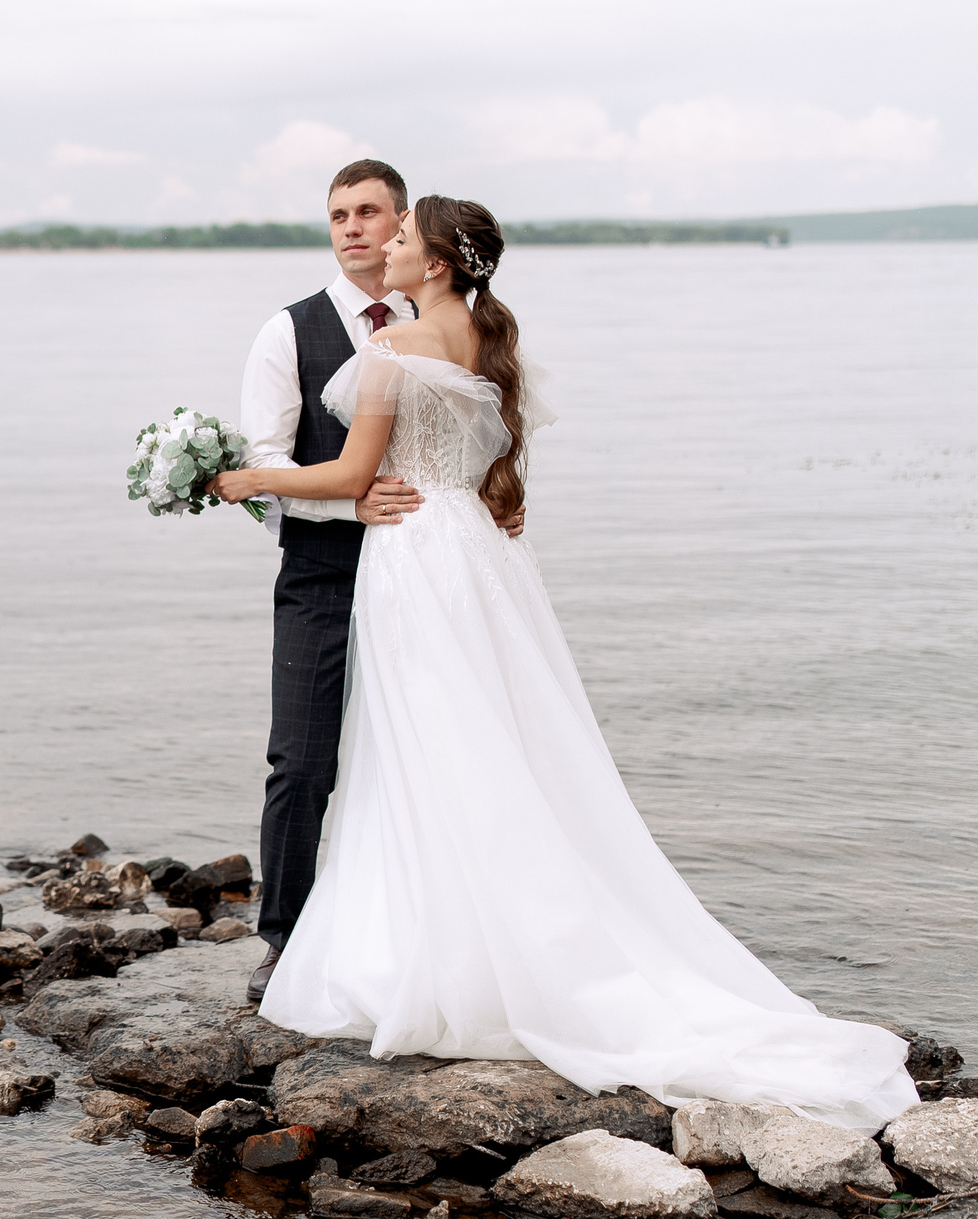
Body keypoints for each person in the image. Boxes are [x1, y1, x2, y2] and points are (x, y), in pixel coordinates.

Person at [212, 196, 916, 1131]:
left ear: (434, 263)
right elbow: (497, 470)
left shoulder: (392, 351)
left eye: (400, 237)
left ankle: (447, 952)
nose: (381, 247)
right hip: (478, 555)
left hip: (416, 557)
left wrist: (248, 477)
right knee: (492, 741)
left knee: (429, 749)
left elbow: (348, 479)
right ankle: (498, 929)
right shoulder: (488, 338)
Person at [233, 160, 521, 1005]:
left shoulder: (434, 325)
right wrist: (353, 508)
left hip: (428, 577)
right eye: (339, 215)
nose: (356, 229)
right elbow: (269, 460)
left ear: (409, 231)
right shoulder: (287, 332)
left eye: (374, 216)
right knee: (305, 764)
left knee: (434, 752)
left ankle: (435, 933)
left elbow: (489, 440)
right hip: (326, 577)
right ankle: (283, 939)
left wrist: (501, 498)